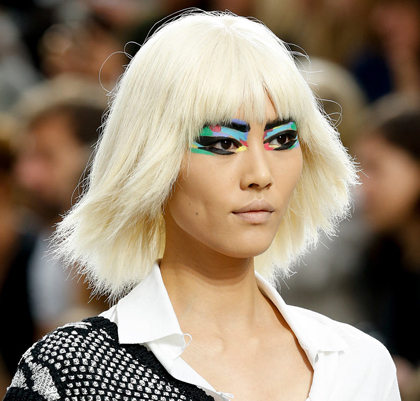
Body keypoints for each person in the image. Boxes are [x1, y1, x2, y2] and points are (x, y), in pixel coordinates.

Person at [5, 11, 400, 401]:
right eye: (224, 143)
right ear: (153, 158)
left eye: (281, 139)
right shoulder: (72, 374)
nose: (260, 174)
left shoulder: (360, 364)